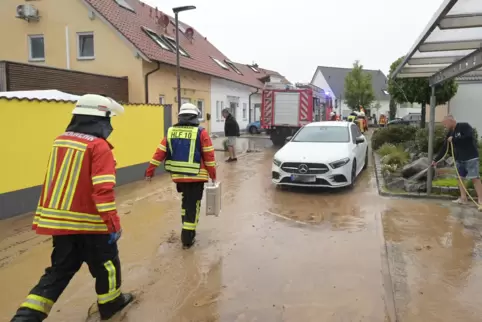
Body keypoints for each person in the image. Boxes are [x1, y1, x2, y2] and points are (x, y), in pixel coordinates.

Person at [11, 94, 133, 322]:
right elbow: (103, 190)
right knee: (107, 266)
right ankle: (111, 305)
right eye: (109, 120)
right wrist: (113, 224)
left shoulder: (61, 141)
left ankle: (25, 317)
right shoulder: (99, 146)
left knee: (58, 272)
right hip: (91, 223)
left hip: (60, 224)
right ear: (101, 119)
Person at [145, 103, 216, 248]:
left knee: (186, 202)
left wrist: (150, 171)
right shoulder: (201, 133)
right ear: (195, 117)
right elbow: (209, 155)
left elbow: (160, 152)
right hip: (197, 176)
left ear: (180, 117)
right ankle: (188, 237)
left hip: (179, 177)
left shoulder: (171, 132)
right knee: (193, 205)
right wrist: (213, 174)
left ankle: (186, 226)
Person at [432, 115, 482, 207]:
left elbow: (468, 137)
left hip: (471, 157)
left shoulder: (464, 126)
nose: (445, 126)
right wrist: (435, 160)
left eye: (445, 124)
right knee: (460, 178)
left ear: (451, 121)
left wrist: (454, 139)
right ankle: (463, 198)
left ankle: (480, 200)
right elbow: (444, 148)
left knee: (475, 178)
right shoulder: (450, 133)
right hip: (459, 159)